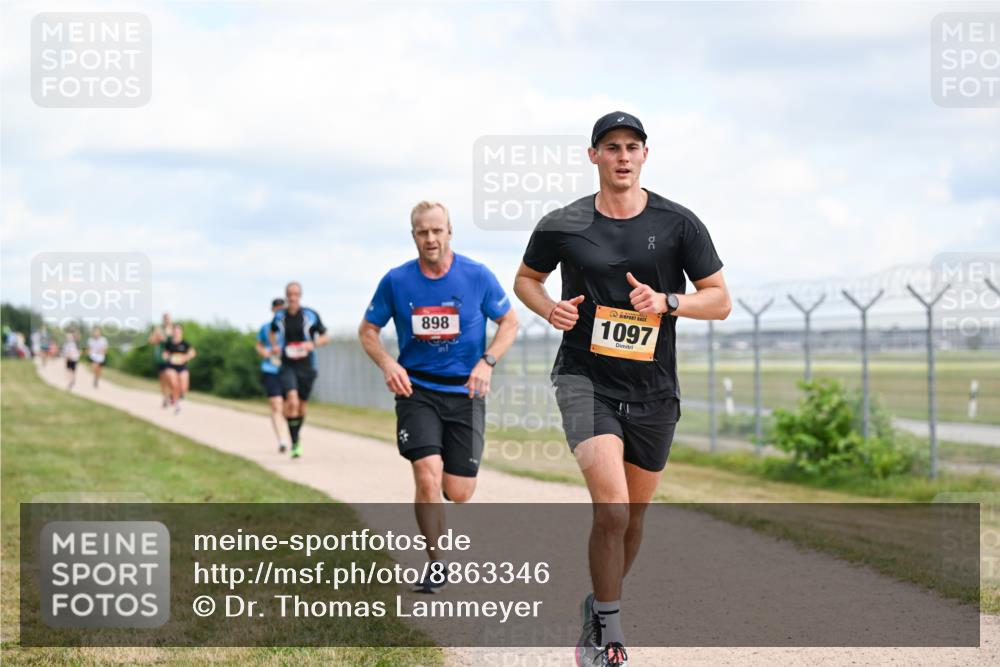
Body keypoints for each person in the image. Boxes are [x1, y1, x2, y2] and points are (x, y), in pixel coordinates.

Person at [513, 112, 732, 667]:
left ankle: (598, 602)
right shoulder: (562, 223)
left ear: (645, 155)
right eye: (612, 147)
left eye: (633, 147)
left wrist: (668, 301)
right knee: (611, 509)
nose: (623, 156)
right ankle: (608, 633)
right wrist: (550, 309)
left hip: (655, 389)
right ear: (594, 156)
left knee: (633, 517)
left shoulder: (679, 224)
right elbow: (526, 280)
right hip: (585, 379)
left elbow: (720, 299)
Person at [359, 200, 519, 593]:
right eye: (422, 232)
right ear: (413, 235)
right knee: (426, 475)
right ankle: (437, 561)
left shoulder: (477, 276)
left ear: (450, 232)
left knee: (459, 492)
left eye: (437, 230)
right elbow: (368, 330)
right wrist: (388, 364)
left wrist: (487, 362)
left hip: (466, 391)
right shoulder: (397, 281)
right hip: (417, 390)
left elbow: (509, 322)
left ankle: (445, 481)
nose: (430, 238)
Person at [269, 282, 330, 458]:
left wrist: (313, 344)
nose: (292, 298)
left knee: (302, 407)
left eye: (296, 294)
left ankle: (296, 436)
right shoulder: (279, 316)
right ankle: (295, 442)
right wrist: (275, 346)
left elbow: (326, 337)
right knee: (292, 401)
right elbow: (272, 332)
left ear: (300, 295)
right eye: (290, 294)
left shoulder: (311, 315)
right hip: (287, 365)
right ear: (286, 295)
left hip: (307, 366)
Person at [256, 297, 292, 453]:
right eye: (276, 307)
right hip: (270, 369)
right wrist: (265, 352)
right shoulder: (265, 328)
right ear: (272, 310)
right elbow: (259, 345)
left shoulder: (290, 327)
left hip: (288, 370)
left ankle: (289, 434)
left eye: (281, 307)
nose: (279, 310)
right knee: (276, 405)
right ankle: (282, 440)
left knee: (287, 408)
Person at [162, 323, 196, 414]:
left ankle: (174, 396)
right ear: (173, 332)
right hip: (171, 366)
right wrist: (169, 358)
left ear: (182, 332)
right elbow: (164, 354)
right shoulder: (169, 344)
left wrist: (186, 357)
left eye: (178, 331)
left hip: (182, 366)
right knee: (174, 383)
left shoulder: (185, 344)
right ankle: (176, 404)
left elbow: (193, 352)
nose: (177, 332)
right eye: (175, 331)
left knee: (184, 387)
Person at [148, 313, 173, 407]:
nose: (167, 320)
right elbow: (150, 341)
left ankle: (170, 393)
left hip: (170, 358)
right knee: (162, 379)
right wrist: (158, 339)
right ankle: (165, 397)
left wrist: (166, 340)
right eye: (165, 318)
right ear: (163, 319)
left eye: (168, 318)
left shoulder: (174, 330)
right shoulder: (158, 330)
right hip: (160, 358)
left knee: (170, 376)